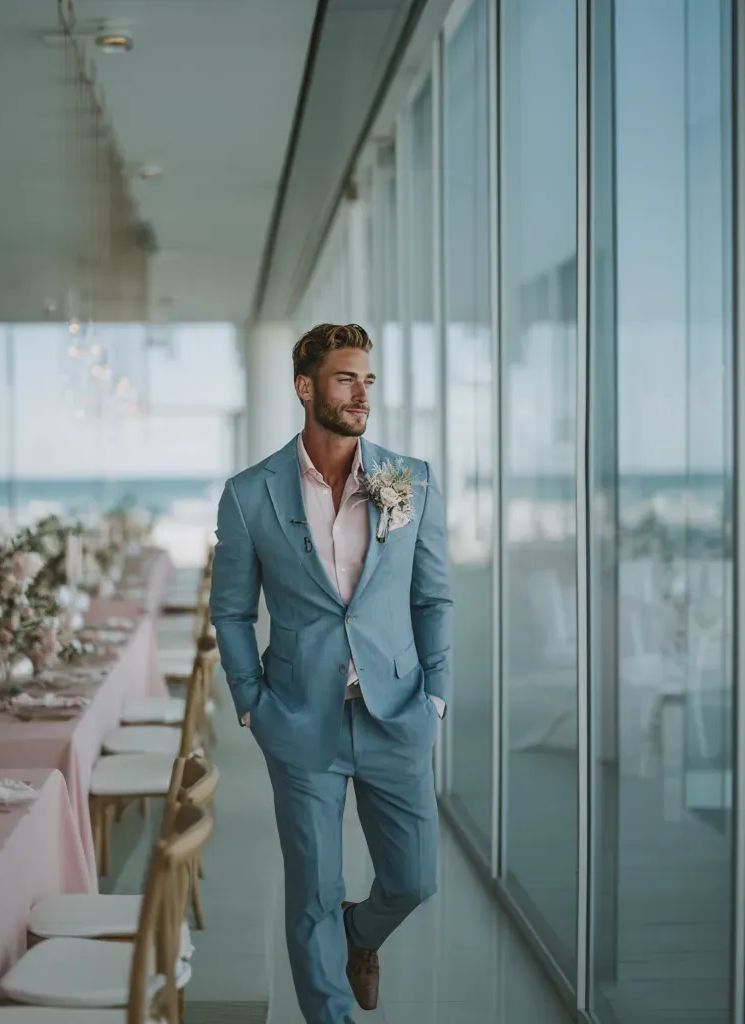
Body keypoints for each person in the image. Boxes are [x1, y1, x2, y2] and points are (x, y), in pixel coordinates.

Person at [210, 323, 452, 1022]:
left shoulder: (403, 482)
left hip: (397, 711)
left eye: (367, 380)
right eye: (346, 378)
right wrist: (252, 703)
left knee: (414, 881)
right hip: (299, 719)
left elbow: (432, 595)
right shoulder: (250, 494)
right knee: (312, 893)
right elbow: (230, 612)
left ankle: (359, 935)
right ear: (305, 387)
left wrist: (434, 697)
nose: (361, 393)